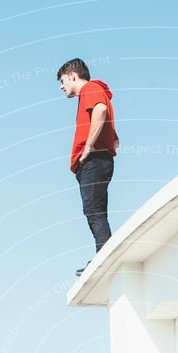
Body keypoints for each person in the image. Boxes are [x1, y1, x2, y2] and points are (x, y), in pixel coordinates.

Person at [56, 58, 118, 275]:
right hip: (97, 161)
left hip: (94, 161)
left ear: (73, 75)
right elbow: (115, 139)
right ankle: (105, 255)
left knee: (93, 211)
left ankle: (105, 258)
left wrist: (88, 147)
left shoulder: (91, 89)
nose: (62, 87)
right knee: (97, 211)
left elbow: (100, 110)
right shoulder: (94, 92)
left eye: (63, 81)